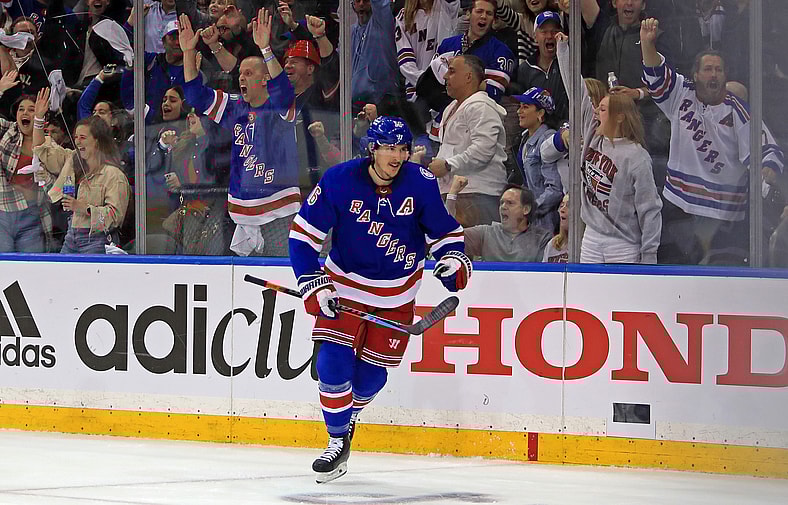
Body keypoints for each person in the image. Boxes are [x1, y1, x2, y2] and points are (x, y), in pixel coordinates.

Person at [288, 116, 471, 483]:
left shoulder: (420, 182)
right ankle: (337, 441)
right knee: (332, 363)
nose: (397, 156)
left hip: (397, 294)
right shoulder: (339, 180)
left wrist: (452, 259)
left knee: (371, 377)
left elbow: (445, 234)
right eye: (389, 148)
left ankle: (349, 415)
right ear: (371, 149)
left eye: (402, 148)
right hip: (344, 288)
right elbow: (302, 236)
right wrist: (312, 281)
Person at [640, 17, 785, 264]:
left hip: (721, 214)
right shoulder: (681, 94)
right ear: (696, 75)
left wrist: (768, 169)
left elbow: (768, 150)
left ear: (725, 76)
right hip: (679, 205)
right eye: (708, 69)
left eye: (718, 70)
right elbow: (657, 76)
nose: (714, 74)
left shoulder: (737, 111)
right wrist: (647, 43)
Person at [179, 10, 299, 257]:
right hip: (241, 213)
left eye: (249, 73)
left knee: (280, 273)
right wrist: (188, 52)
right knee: (241, 277)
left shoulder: (279, 109)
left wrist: (265, 49)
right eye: (241, 74)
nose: (241, 78)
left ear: (265, 79)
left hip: (278, 212)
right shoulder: (235, 107)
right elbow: (196, 96)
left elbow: (284, 91)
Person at [556, 32, 662, 264]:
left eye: (603, 109)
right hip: (592, 237)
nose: (596, 112)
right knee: (587, 288)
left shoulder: (637, 157)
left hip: (623, 243)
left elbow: (650, 209)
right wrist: (563, 50)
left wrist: (649, 255)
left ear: (620, 117)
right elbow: (576, 91)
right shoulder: (593, 132)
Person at [34, 109, 131, 254]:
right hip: (71, 235)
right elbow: (43, 151)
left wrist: (84, 208)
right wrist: (38, 119)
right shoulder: (72, 161)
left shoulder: (114, 175)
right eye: (76, 137)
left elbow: (115, 217)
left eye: (83, 137)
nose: (77, 141)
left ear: (97, 141)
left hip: (98, 239)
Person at [429, 54, 508, 227]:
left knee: (471, 244)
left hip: (477, 194)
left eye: (452, 71)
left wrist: (448, 165)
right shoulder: (451, 107)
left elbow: (483, 150)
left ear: (468, 77)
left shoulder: (481, 106)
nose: (445, 76)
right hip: (456, 192)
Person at [0, 82, 54, 252]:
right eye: (21, 109)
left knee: (32, 264)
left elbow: (55, 186)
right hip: (3, 212)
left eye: (31, 109)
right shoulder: (8, 130)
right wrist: (0, 90)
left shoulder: (49, 145)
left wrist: (39, 119)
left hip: (31, 214)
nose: (25, 113)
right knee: (4, 265)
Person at [447, 175, 552, 261]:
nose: (503, 207)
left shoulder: (542, 239)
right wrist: (452, 193)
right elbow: (449, 237)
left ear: (526, 209)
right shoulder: (485, 233)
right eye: (501, 203)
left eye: (510, 203)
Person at [513, 86, 562, 232]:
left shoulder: (547, 139)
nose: (519, 111)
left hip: (546, 221)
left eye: (525, 107)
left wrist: (531, 208)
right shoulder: (524, 138)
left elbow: (555, 189)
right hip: (531, 219)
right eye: (520, 106)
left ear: (540, 113)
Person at [543, 192, 569, 262]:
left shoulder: (586, 246)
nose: (562, 210)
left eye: (568, 206)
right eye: (561, 206)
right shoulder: (552, 244)